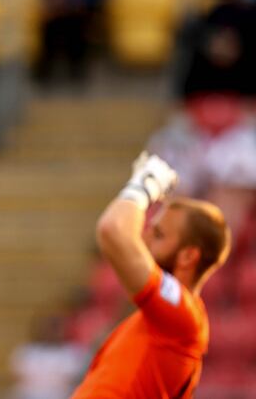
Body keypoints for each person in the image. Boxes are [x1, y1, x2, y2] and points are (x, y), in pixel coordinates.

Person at [72, 153, 231, 398]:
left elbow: (113, 230)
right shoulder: (156, 319)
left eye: (157, 235)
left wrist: (146, 183)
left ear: (188, 256)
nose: (144, 239)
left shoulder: (183, 317)